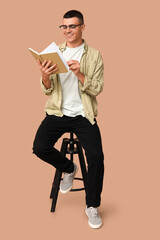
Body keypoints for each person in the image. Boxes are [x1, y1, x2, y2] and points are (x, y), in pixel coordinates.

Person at [32, 10, 104, 229]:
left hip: (84, 115)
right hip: (57, 112)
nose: (68, 30)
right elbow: (47, 90)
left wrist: (80, 74)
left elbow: (98, 88)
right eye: (64, 26)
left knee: (96, 157)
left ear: (83, 27)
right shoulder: (54, 52)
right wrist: (44, 76)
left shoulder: (94, 55)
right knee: (39, 147)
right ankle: (69, 168)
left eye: (72, 26)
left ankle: (92, 205)